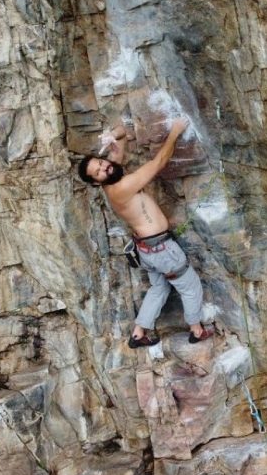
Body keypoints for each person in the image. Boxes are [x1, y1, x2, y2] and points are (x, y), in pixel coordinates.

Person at [77, 119, 213, 347]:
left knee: (159, 287)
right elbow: (159, 162)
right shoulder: (120, 187)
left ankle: (139, 332)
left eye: (100, 163)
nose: (104, 167)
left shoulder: (112, 175)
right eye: (98, 172)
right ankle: (197, 330)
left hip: (147, 250)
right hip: (161, 250)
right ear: (95, 183)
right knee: (189, 286)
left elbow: (122, 136)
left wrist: (112, 133)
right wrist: (176, 131)